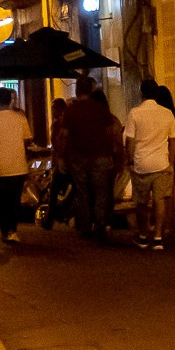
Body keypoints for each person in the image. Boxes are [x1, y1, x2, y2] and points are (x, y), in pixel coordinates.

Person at [62, 76, 121, 241]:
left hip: (79, 157)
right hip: (101, 155)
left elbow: (64, 135)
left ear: (77, 90)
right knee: (101, 191)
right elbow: (110, 131)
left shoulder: (71, 110)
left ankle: (86, 225)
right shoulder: (101, 109)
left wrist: (61, 157)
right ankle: (101, 222)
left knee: (83, 192)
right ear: (91, 90)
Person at [126, 81, 175, 250]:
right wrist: (171, 163)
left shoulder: (135, 113)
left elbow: (130, 140)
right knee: (160, 201)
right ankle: (158, 236)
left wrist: (130, 161)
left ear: (141, 93)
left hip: (141, 163)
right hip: (161, 163)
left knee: (141, 202)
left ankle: (143, 236)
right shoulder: (167, 113)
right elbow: (173, 141)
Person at [0, 87, 33, 245]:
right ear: (10, 101)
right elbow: (27, 141)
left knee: (2, 201)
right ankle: (13, 230)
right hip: (19, 166)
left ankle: (5, 231)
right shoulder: (21, 119)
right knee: (15, 200)